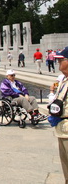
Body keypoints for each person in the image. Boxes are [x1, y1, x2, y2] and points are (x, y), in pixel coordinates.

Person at [49, 46, 68, 182]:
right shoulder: (63, 80)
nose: (58, 63)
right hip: (61, 129)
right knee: (65, 166)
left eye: (61, 60)